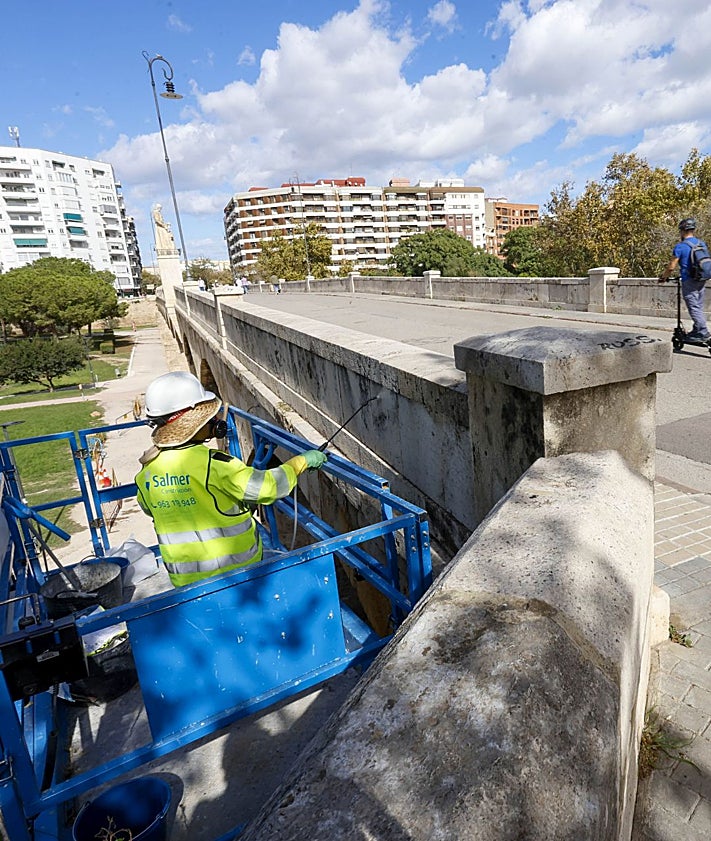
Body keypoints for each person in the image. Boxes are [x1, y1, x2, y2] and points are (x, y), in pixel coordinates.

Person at [135, 371, 327, 587]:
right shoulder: (216, 465)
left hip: (185, 587)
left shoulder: (147, 472)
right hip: (238, 580)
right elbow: (269, 487)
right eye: (209, 417)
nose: (215, 420)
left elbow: (151, 509)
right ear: (194, 423)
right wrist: (302, 462)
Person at [659, 218, 711, 343]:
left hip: (689, 280)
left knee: (693, 307)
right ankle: (696, 329)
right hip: (702, 278)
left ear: (682, 231)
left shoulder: (680, 247)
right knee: (698, 305)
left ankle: (703, 332)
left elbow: (671, 267)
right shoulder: (701, 243)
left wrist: (663, 277)